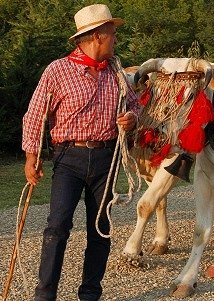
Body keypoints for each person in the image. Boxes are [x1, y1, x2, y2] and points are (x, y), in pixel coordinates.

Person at [22, 4, 139, 301]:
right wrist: (31, 156)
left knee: (100, 229)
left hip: (106, 158)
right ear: (97, 36)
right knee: (57, 226)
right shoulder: (57, 70)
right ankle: (44, 294)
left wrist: (132, 118)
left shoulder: (116, 71)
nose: (115, 40)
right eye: (112, 34)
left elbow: (136, 106)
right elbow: (36, 115)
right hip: (68, 159)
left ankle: (90, 294)